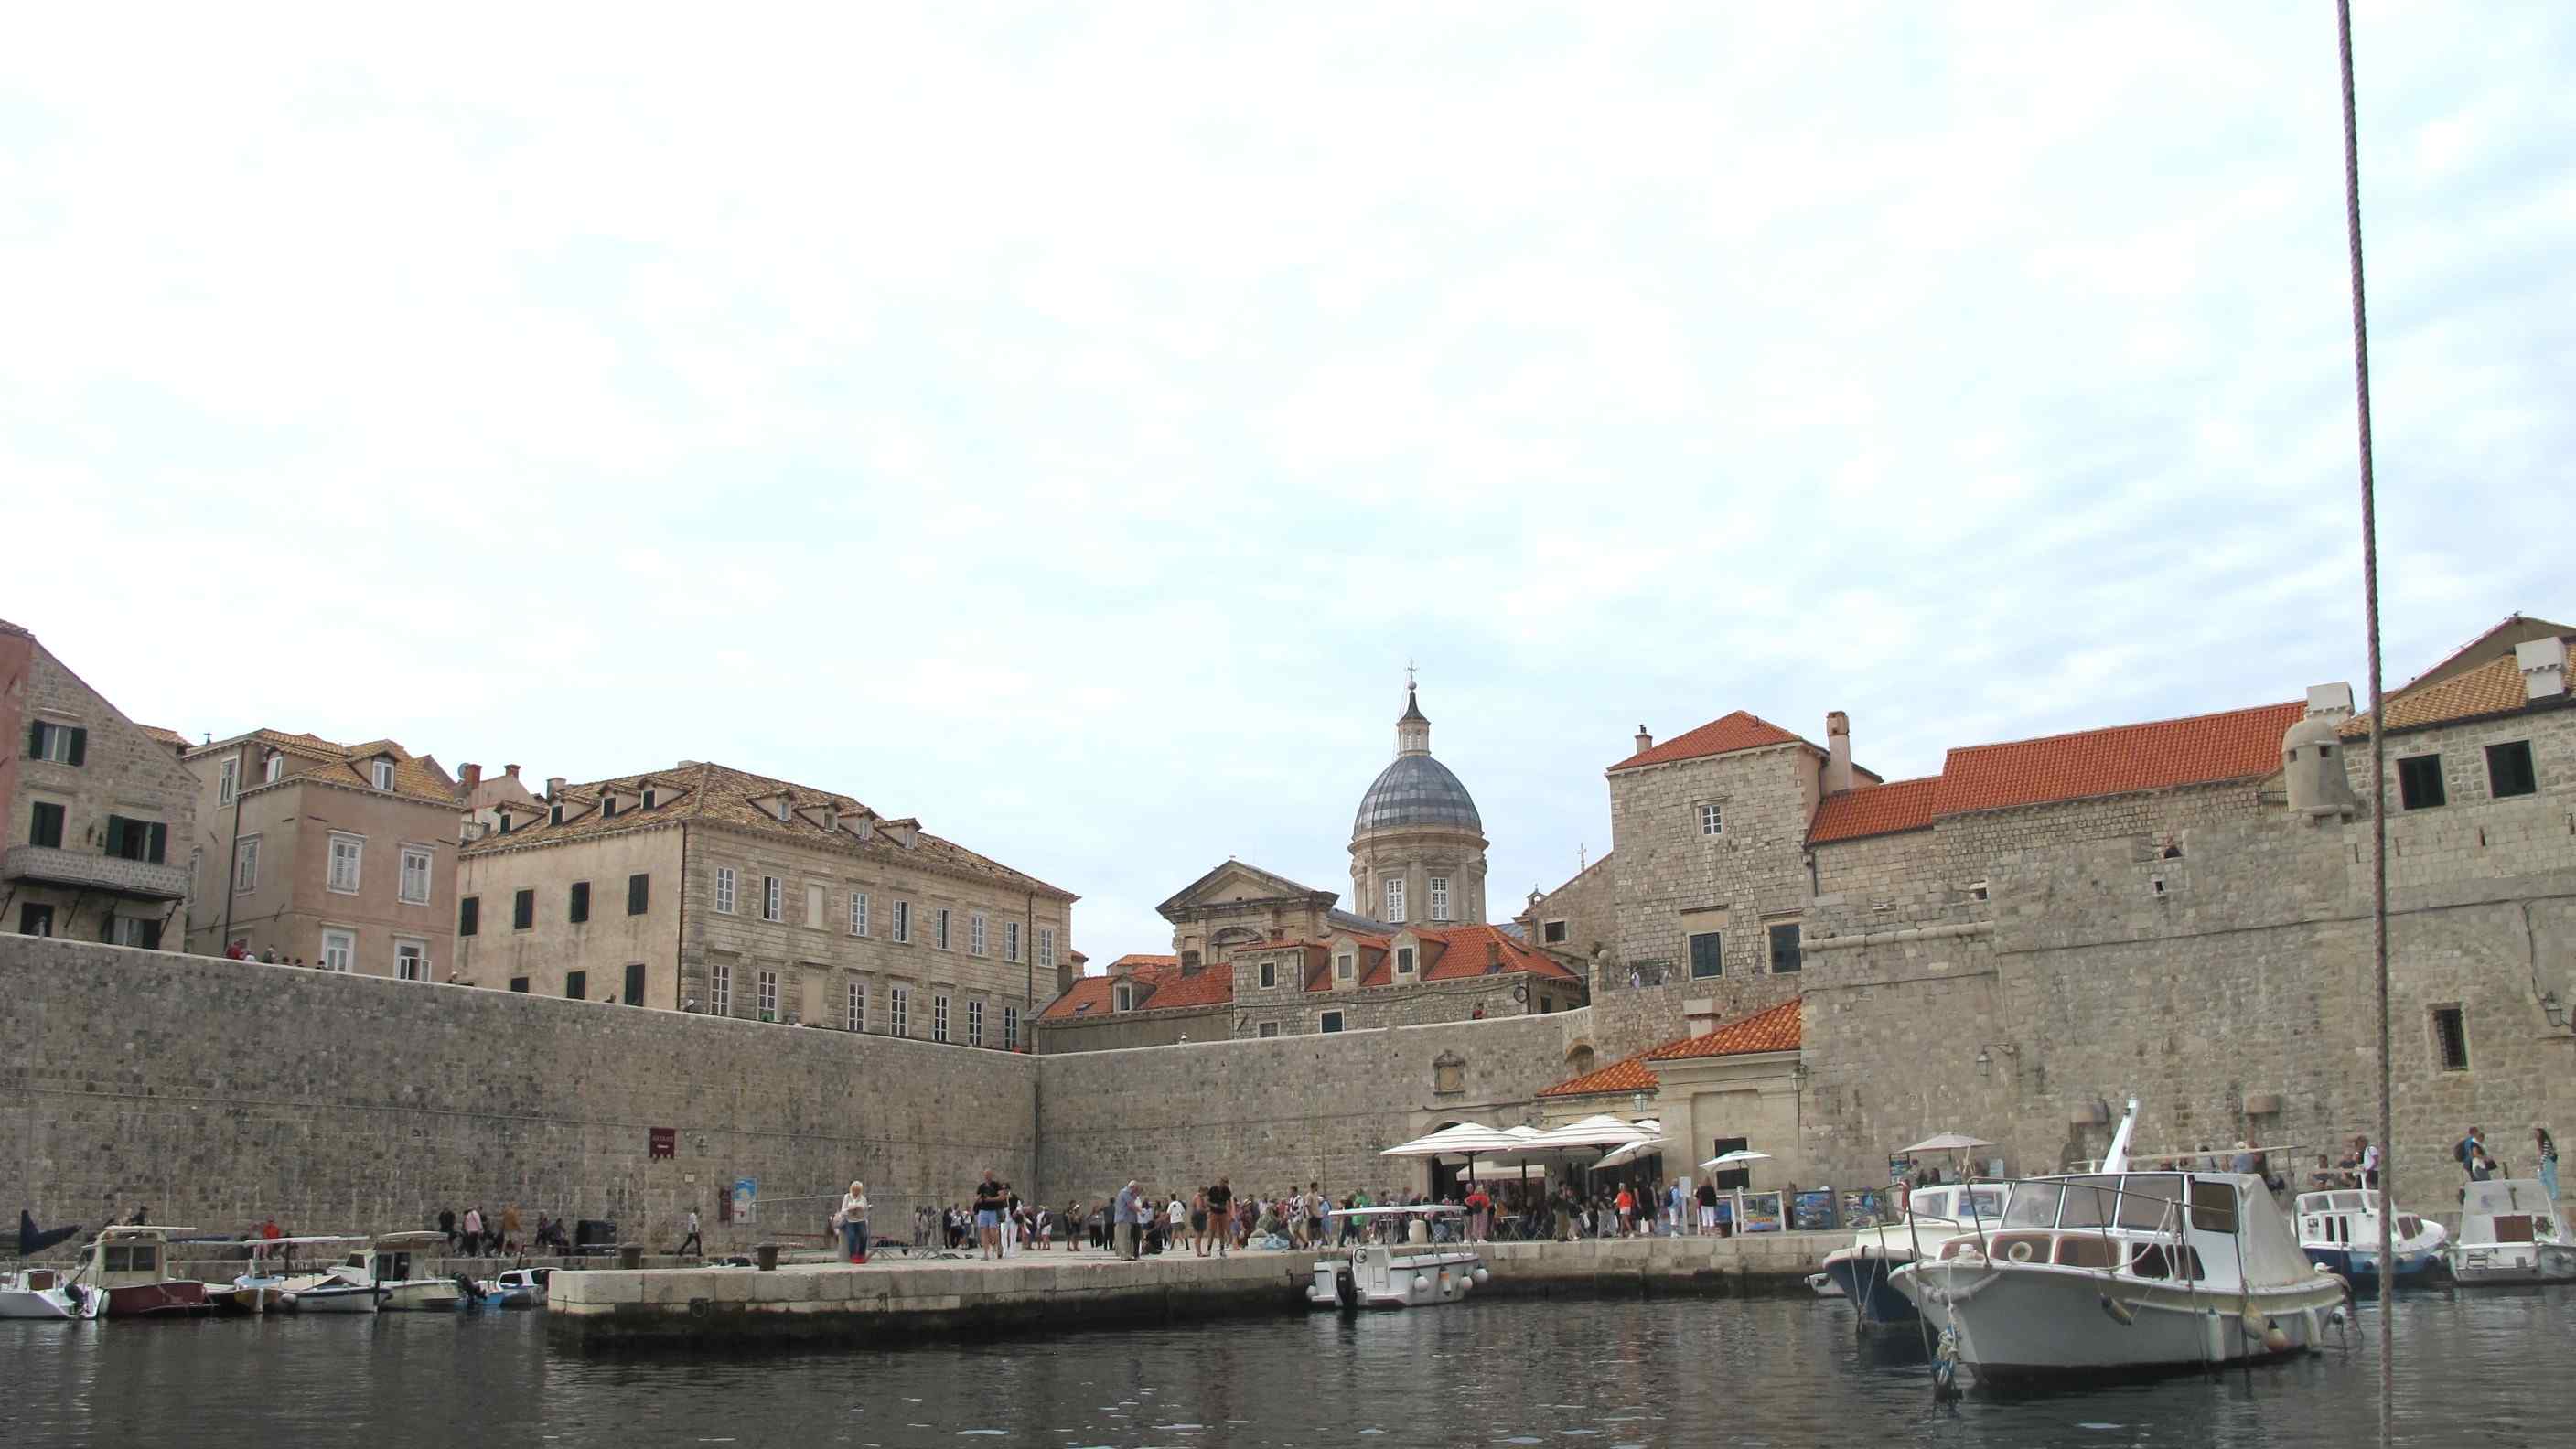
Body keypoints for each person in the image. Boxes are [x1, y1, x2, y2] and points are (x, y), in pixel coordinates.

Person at [973, 1172, 1007, 1260]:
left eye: (988, 1175)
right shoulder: (981, 1186)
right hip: (982, 1211)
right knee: (983, 1232)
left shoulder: (996, 1185)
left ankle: (998, 1245)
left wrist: (990, 1199)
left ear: (991, 1175)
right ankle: (986, 1254)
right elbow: (976, 1197)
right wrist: (978, 1199)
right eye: (985, 1175)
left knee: (993, 1232)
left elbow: (1002, 1197)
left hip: (992, 1211)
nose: (987, 1177)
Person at [837, 1181, 870, 1263]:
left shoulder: (863, 1198)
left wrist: (862, 1211)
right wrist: (850, 1209)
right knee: (852, 1237)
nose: (856, 1192)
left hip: (860, 1220)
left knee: (864, 1236)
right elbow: (843, 1211)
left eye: (858, 1190)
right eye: (854, 1190)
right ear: (851, 1189)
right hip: (849, 1220)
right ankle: (853, 1256)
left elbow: (866, 1210)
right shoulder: (847, 1197)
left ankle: (861, 1255)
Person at [1206, 1177, 1234, 1258]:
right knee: (1212, 1232)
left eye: (1226, 1184)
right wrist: (1214, 1205)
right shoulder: (1213, 1189)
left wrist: (1230, 1213)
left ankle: (1222, 1250)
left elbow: (1229, 1202)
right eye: (1224, 1183)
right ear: (1220, 1182)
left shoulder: (1227, 1190)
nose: (1224, 1185)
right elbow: (1207, 1201)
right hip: (1214, 1212)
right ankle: (1208, 1250)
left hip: (1223, 1213)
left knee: (1222, 1232)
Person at [1114, 1180, 1142, 1261]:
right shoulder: (1125, 1192)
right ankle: (1125, 1256)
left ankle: (1127, 1255)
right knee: (1124, 1238)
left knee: (1127, 1238)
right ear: (1132, 1187)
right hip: (1124, 1219)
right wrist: (1140, 1211)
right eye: (1136, 1189)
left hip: (1127, 1219)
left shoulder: (1128, 1193)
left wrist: (1134, 1195)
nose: (1136, 1191)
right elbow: (1131, 1205)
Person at [2538, 1126, 2561, 1204]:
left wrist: (2541, 1163)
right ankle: (2550, 1195)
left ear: (2541, 1134)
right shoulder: (2542, 1142)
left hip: (2549, 1161)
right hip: (2546, 1161)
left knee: (2550, 1178)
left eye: (2537, 1133)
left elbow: (2546, 1154)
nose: (2535, 1135)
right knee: (2545, 1177)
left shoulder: (2546, 1141)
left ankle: (2554, 1196)